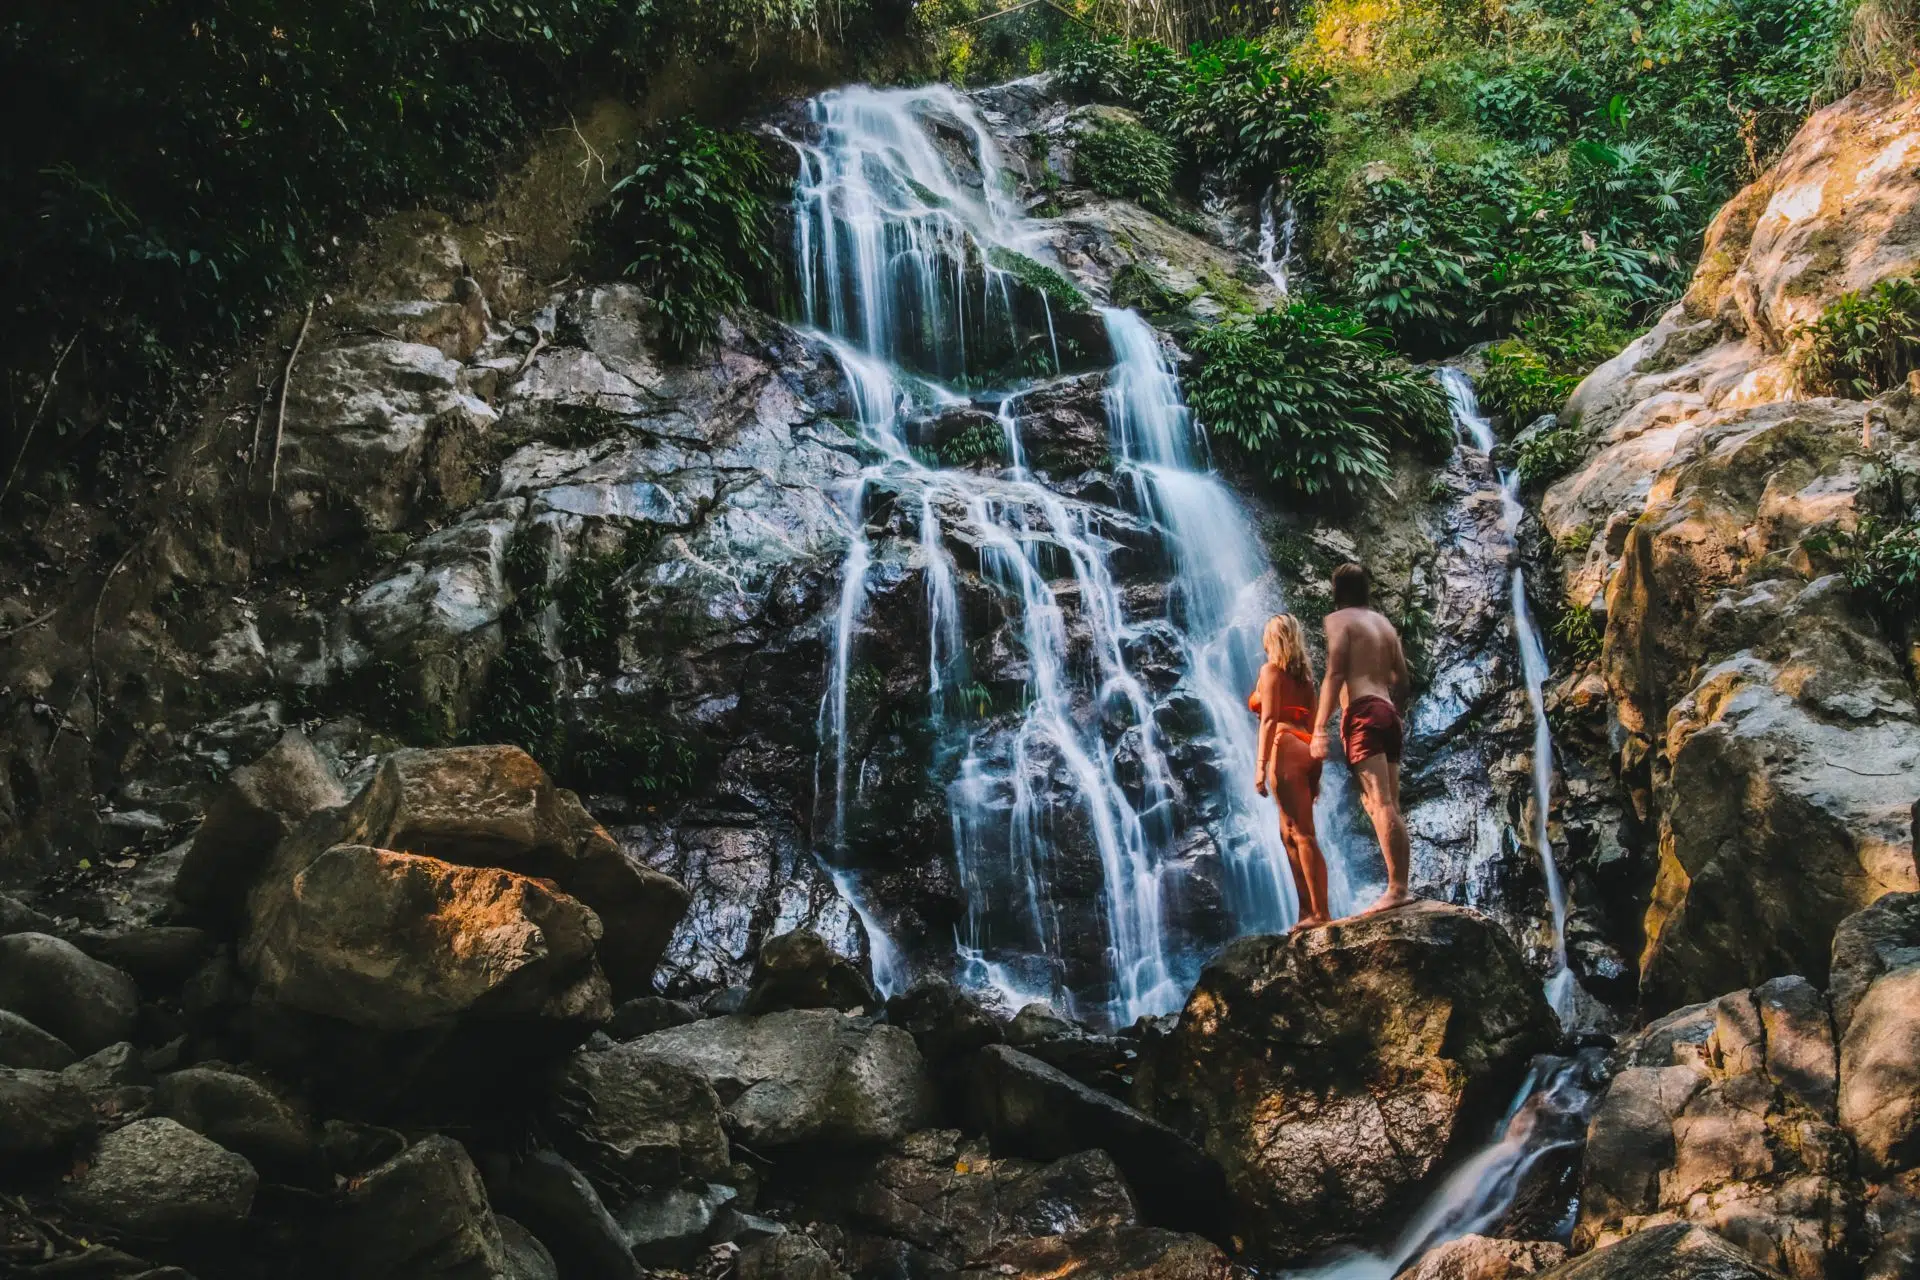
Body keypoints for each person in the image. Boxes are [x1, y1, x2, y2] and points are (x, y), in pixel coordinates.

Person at [1309, 563, 1417, 915]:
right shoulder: (1383, 624)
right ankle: (1401, 885)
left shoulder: (1338, 620)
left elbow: (1336, 672)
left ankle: (1396, 890)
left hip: (1363, 713)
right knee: (1386, 805)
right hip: (1387, 712)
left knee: (1379, 803)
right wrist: (1393, 710)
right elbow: (1401, 678)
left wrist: (1320, 726)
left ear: (1337, 591)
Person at [1249, 614, 1331, 930]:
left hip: (1283, 748)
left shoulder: (1270, 672)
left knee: (1301, 834)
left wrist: (1259, 767)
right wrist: (1317, 775)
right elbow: (1313, 729)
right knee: (1289, 835)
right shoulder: (1305, 680)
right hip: (1306, 749)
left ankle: (1321, 913)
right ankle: (1306, 912)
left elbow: (1268, 719)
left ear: (1273, 639)